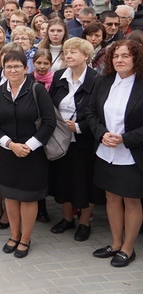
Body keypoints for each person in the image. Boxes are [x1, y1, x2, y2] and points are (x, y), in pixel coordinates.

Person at [0, 50, 56, 258]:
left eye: (17, 66)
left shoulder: (37, 90)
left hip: (32, 155)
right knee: (10, 196)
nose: (13, 70)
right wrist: (10, 144)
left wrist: (29, 145)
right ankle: (13, 235)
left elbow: (49, 122)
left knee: (27, 198)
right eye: (9, 67)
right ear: (4, 69)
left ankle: (25, 238)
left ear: (27, 69)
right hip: (6, 154)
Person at [86, 40, 143, 267]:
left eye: (125, 56)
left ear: (136, 59)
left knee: (131, 201)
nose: (119, 59)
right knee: (111, 197)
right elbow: (90, 112)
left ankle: (128, 249)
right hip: (105, 152)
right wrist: (102, 134)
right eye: (116, 55)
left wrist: (124, 139)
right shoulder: (103, 81)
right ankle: (116, 243)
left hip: (131, 154)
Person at [46, 38, 102, 242]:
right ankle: (67, 219)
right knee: (63, 180)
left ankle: (85, 222)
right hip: (60, 140)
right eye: (66, 52)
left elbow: (99, 114)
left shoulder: (96, 80)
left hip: (84, 142)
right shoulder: (60, 75)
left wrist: (78, 127)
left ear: (85, 56)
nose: (68, 55)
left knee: (84, 183)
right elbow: (50, 104)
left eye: (73, 52)